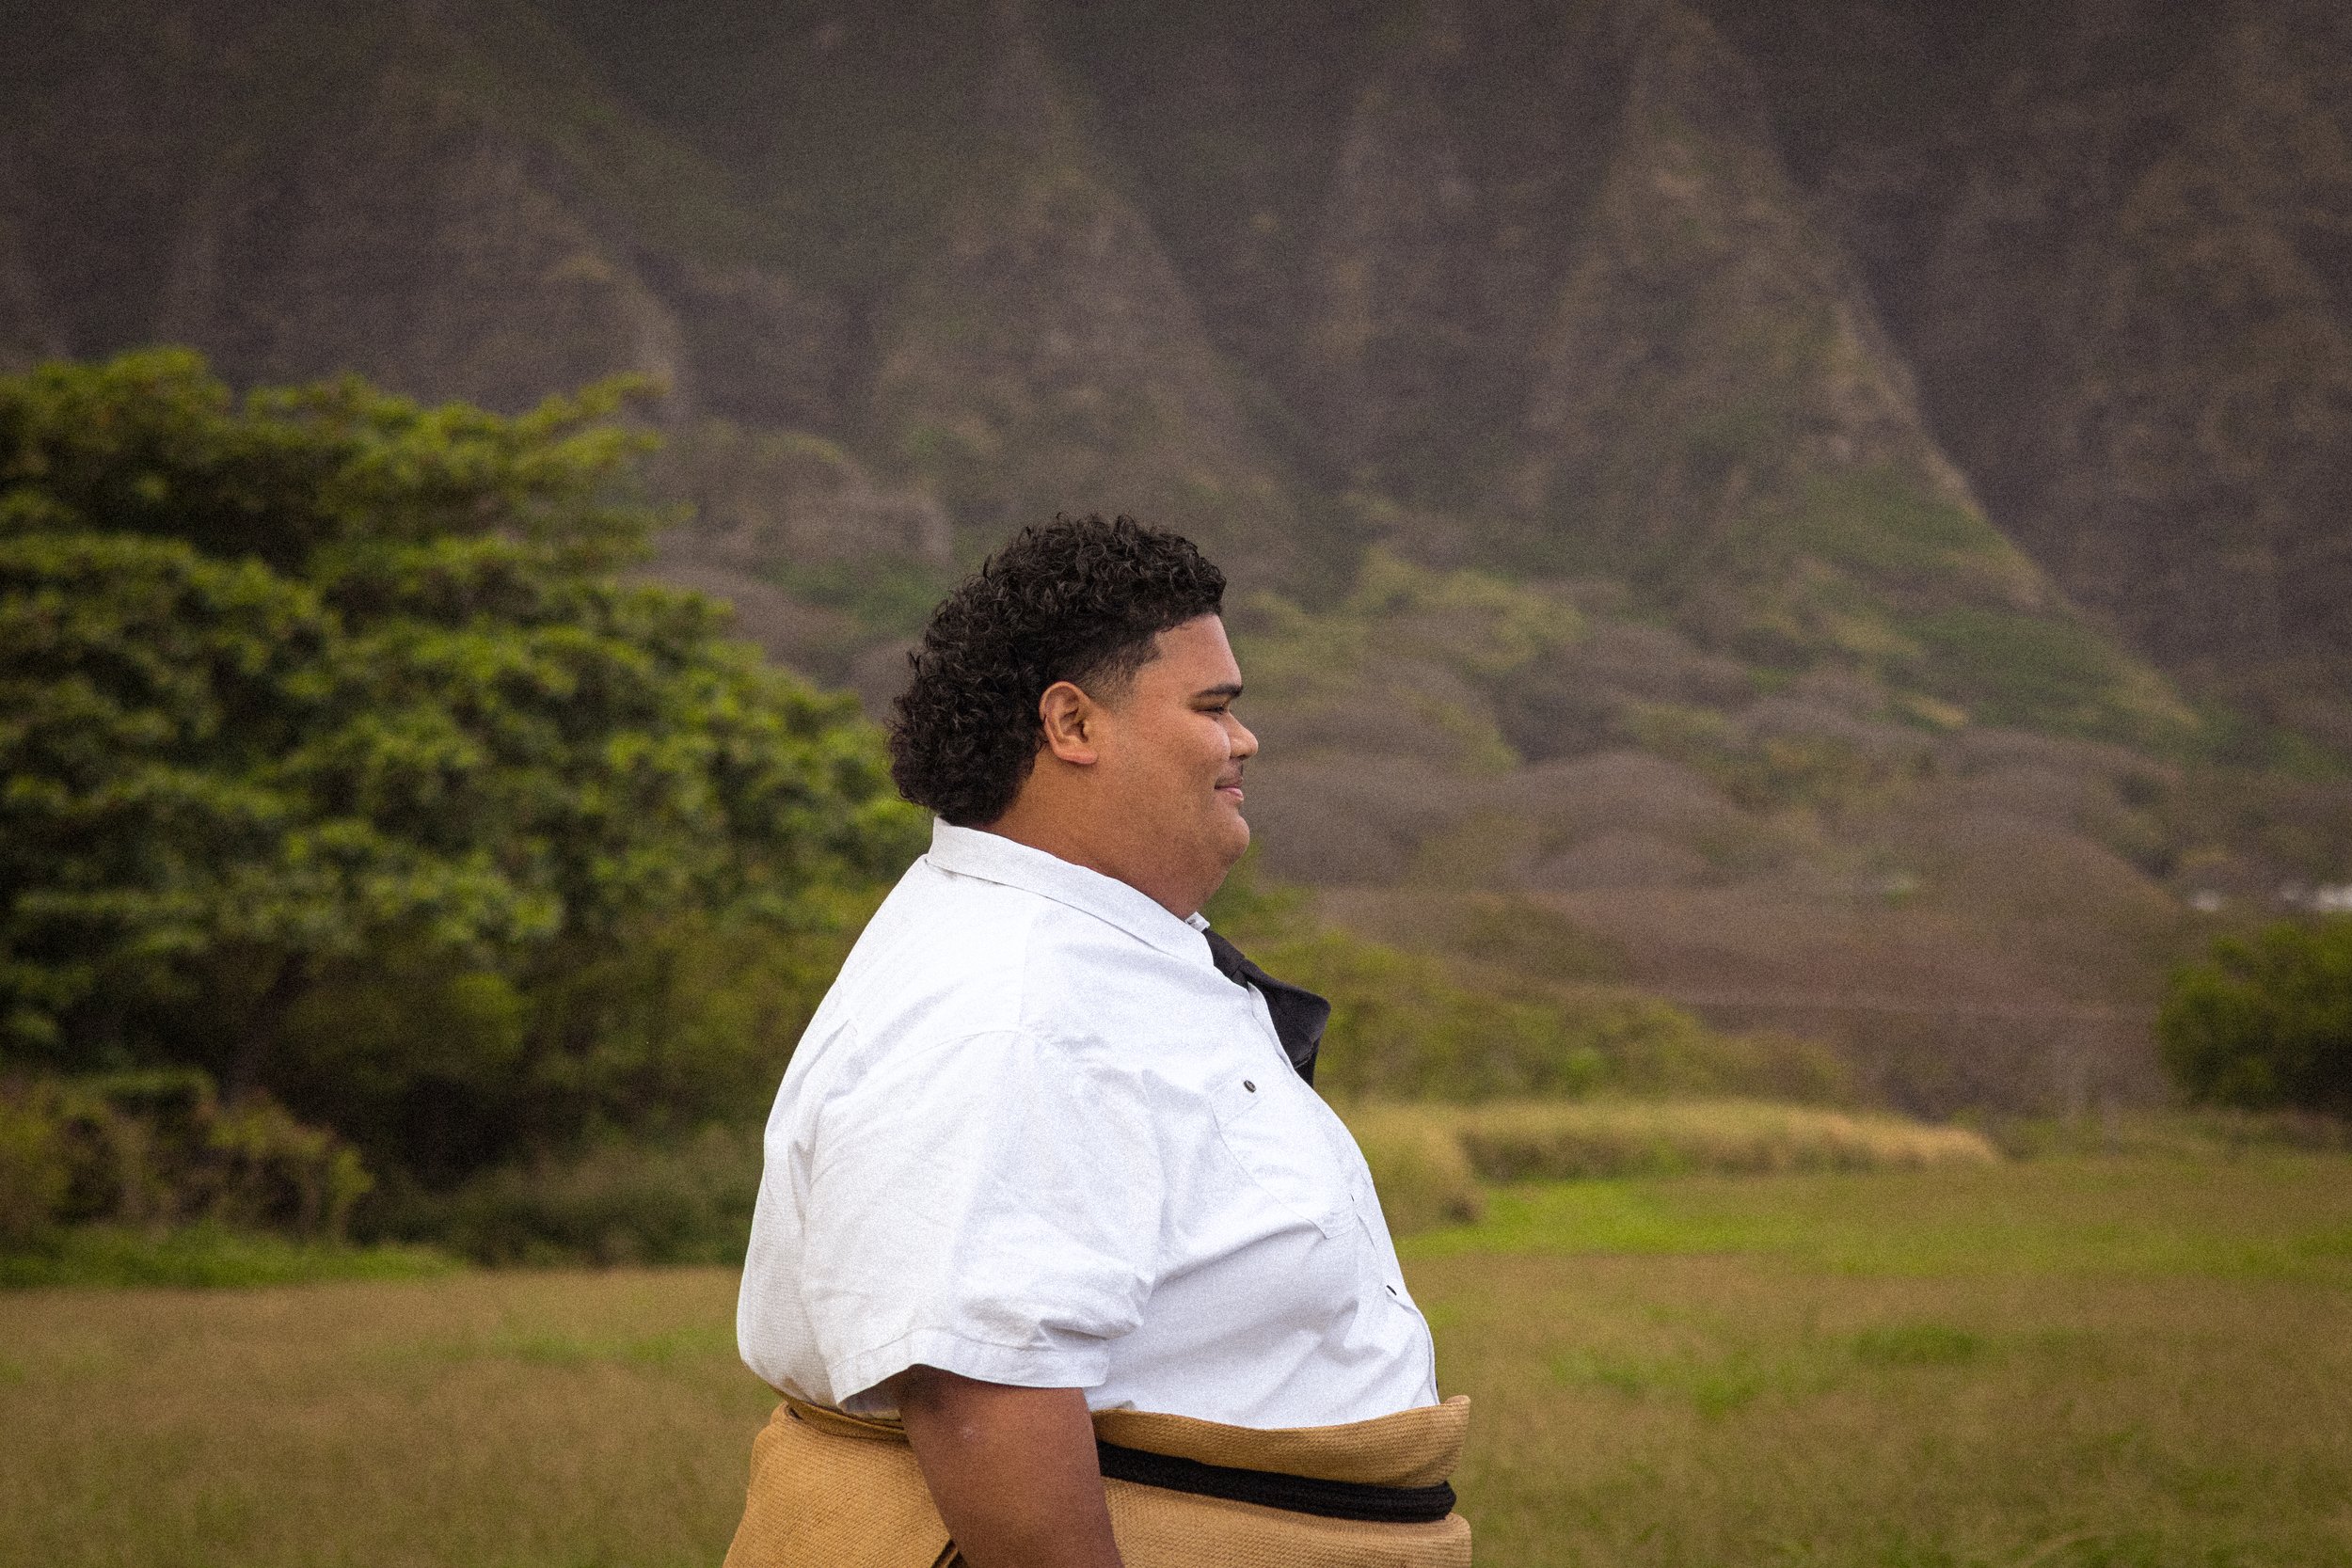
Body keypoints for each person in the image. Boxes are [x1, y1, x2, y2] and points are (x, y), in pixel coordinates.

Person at [726, 515, 1469, 1568]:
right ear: (1072, 723)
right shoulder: (1008, 1006)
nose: (1243, 738)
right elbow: (984, 1386)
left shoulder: (1093, 945)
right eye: (1212, 707)